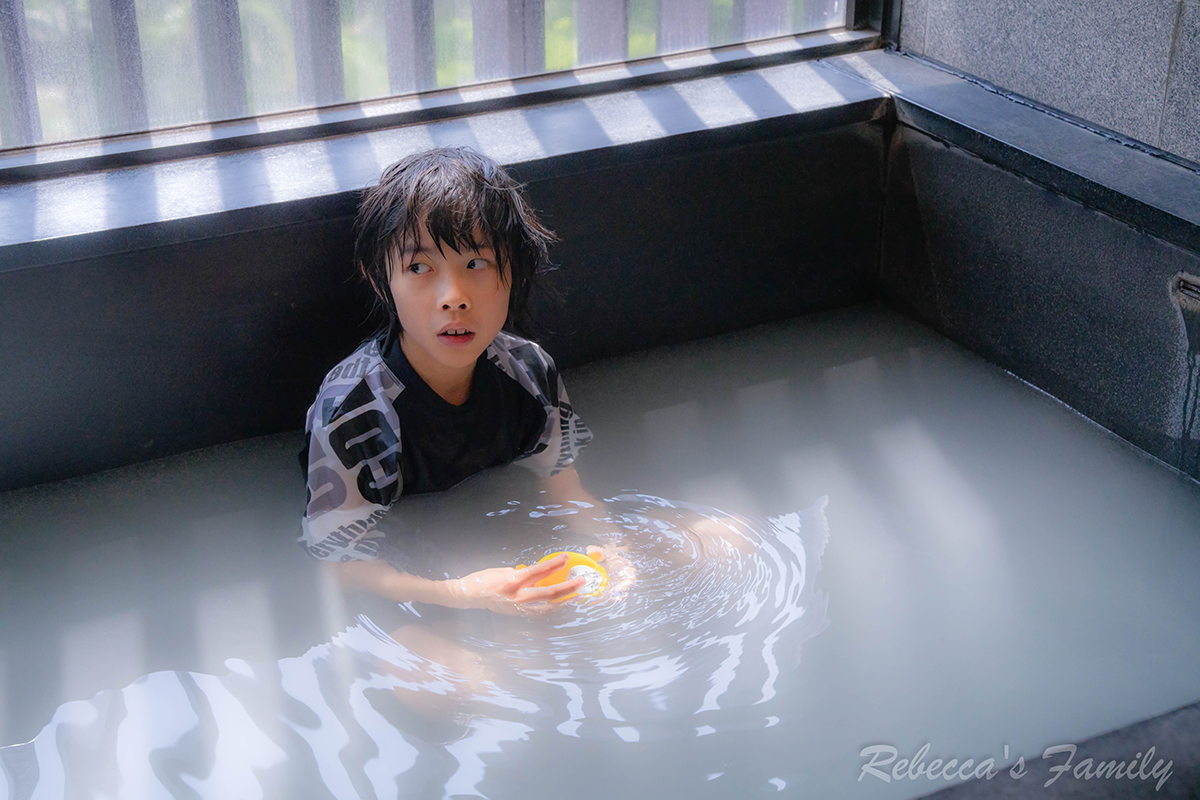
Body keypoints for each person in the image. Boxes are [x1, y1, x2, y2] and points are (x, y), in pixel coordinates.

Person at [299, 146, 613, 615]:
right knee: (444, 665)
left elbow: (566, 490)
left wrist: (616, 552)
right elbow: (339, 565)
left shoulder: (529, 371)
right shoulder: (351, 411)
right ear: (380, 278)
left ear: (514, 270)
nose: (454, 297)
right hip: (396, 581)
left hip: (499, 533)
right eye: (419, 267)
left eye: (477, 263)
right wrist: (461, 595)